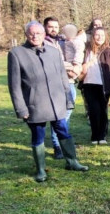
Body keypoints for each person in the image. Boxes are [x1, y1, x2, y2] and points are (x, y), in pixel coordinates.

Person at [8, 21, 87, 181]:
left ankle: (72, 162)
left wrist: (68, 100)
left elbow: (63, 77)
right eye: (31, 33)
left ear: (44, 34)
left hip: (57, 103)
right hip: (34, 105)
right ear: (26, 35)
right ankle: (41, 170)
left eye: (38, 33)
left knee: (64, 132)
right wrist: (21, 109)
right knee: (38, 136)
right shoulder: (17, 53)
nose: (35, 36)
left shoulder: (53, 51)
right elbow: (14, 85)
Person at [78, 26, 110, 145]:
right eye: (97, 35)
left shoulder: (109, 51)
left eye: (102, 35)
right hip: (88, 84)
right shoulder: (85, 50)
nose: (99, 37)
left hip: (103, 86)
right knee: (93, 111)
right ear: (93, 36)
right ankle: (95, 135)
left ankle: (102, 136)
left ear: (106, 37)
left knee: (102, 110)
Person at [43, 16, 77, 159]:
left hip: (69, 82)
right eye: (51, 26)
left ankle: (64, 141)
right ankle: (58, 146)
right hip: (53, 84)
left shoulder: (63, 41)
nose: (53, 29)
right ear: (45, 27)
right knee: (58, 115)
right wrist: (69, 66)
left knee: (67, 114)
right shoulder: (42, 43)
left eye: (56, 27)